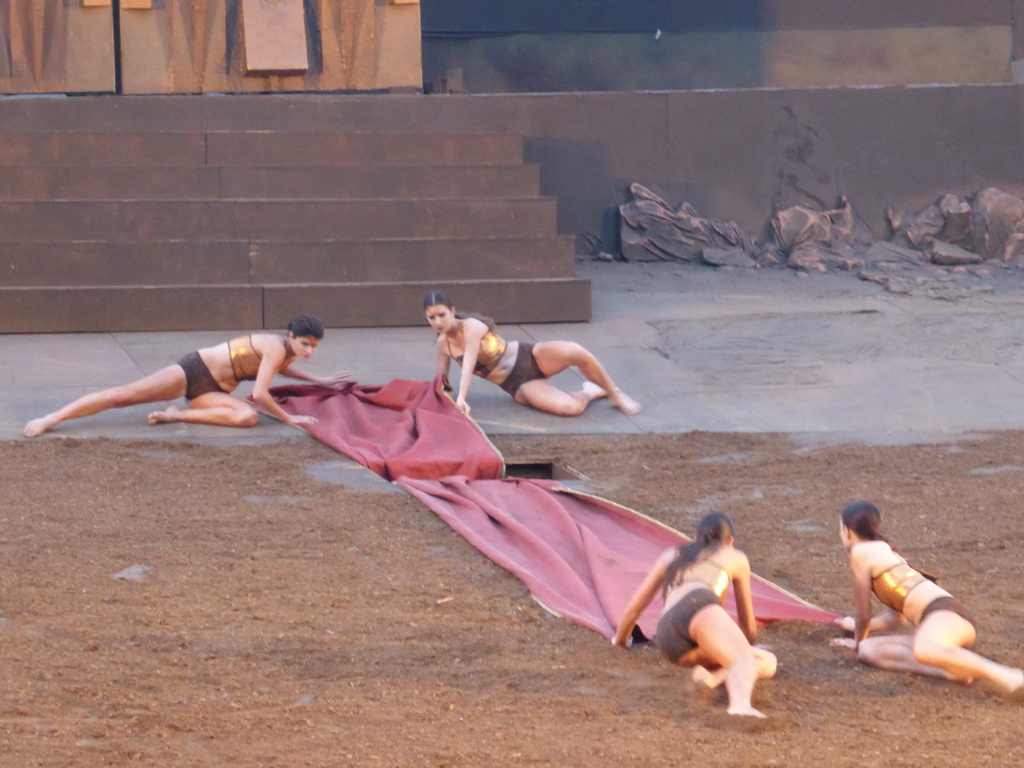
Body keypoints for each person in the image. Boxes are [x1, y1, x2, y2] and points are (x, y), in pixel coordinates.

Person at [23, 313, 350, 437]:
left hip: (211, 390)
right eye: (305, 344)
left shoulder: (283, 351)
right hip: (193, 370)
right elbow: (261, 393)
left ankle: (174, 416)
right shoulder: (276, 347)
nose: (309, 352)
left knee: (247, 419)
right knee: (121, 396)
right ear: (291, 336)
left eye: (314, 347)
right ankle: (51, 418)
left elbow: (276, 369)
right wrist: (291, 420)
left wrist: (320, 381)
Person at [831, 500, 1023, 696]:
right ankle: (949, 671)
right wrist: (855, 627)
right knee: (867, 650)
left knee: (921, 649)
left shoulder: (860, 552)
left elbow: (864, 614)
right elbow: (895, 618)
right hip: (943, 626)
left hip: (945, 614)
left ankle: (1007, 675)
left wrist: (856, 636)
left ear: (846, 531)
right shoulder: (887, 553)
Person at [613, 512, 777, 718]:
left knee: (768, 662)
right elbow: (748, 626)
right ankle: (740, 706)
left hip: (670, 638)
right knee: (744, 660)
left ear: (694, 536)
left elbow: (632, 610)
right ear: (730, 542)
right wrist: (745, 647)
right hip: (699, 606)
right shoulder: (734, 556)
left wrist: (620, 640)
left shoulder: (672, 554)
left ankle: (710, 679)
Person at [422, 289, 641, 417]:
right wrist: (442, 399)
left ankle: (614, 394)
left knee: (576, 351)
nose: (438, 322)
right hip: (518, 385)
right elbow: (442, 381)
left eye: (442, 315)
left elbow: (469, 364)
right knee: (570, 408)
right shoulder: (444, 345)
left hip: (529, 357)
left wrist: (462, 397)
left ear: (452, 311)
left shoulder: (471, 326)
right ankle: (591, 391)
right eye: (432, 318)